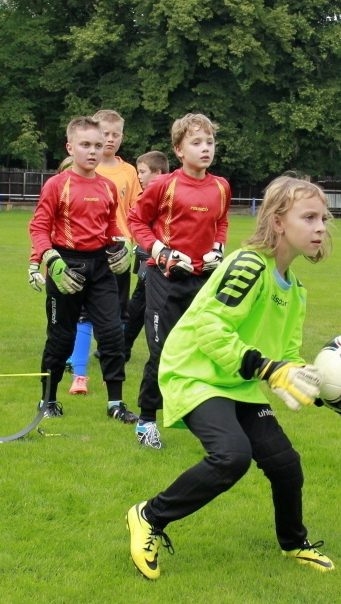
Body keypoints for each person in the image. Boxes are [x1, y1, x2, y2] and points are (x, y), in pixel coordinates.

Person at [125, 175, 341, 580]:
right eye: (310, 217)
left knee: (285, 464)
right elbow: (209, 327)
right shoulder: (248, 265)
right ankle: (149, 516)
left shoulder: (295, 290)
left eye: (324, 218)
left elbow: (288, 361)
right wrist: (266, 369)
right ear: (278, 222)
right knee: (232, 455)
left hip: (236, 379)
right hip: (195, 372)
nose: (321, 227)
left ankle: (294, 543)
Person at [128, 114, 230, 450]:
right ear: (179, 149)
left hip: (203, 282)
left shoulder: (220, 186)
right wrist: (161, 253)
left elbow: (221, 222)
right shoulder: (163, 185)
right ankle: (146, 421)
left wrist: (218, 248)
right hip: (165, 280)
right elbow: (136, 221)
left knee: (201, 350)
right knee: (162, 352)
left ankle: (194, 414)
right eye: (196, 143)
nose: (205, 149)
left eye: (209, 142)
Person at [27, 116, 137, 424]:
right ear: (70, 147)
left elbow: (113, 225)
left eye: (98, 146)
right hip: (66, 266)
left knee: (113, 333)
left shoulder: (108, 187)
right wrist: (51, 260)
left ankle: (116, 403)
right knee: (61, 337)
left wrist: (123, 245)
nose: (93, 151)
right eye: (85, 145)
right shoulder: (56, 185)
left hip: (100, 267)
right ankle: (48, 400)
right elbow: (38, 227)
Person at [66, 110, 143, 395]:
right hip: (84, 252)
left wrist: (133, 243)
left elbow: (137, 211)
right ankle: (78, 370)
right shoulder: (84, 167)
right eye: (104, 135)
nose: (109, 140)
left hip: (117, 252)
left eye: (115, 135)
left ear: (122, 137)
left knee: (118, 314)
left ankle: (113, 367)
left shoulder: (129, 172)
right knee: (81, 313)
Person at [123, 150, 171, 361]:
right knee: (137, 306)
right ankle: (122, 348)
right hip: (150, 258)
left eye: (142, 172)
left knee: (143, 307)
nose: (139, 177)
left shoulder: (166, 194)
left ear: (158, 173)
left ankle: (124, 349)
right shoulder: (147, 194)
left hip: (163, 261)